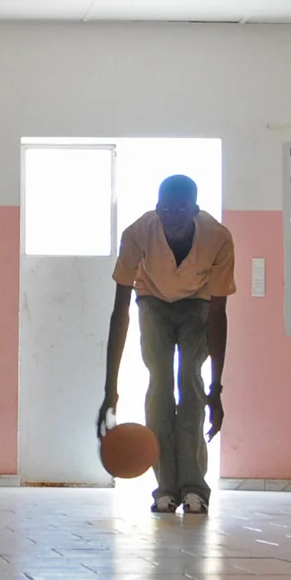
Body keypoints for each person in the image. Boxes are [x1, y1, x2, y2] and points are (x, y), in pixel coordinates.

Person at [98, 174, 233, 515]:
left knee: (190, 380)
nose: (173, 216)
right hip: (152, 300)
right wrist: (110, 390)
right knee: (159, 381)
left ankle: (194, 489)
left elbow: (219, 313)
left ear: (195, 210)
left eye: (182, 209)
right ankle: (166, 489)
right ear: (157, 209)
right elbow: (120, 312)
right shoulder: (137, 234)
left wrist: (216, 388)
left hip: (198, 303)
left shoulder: (218, 238)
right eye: (166, 209)